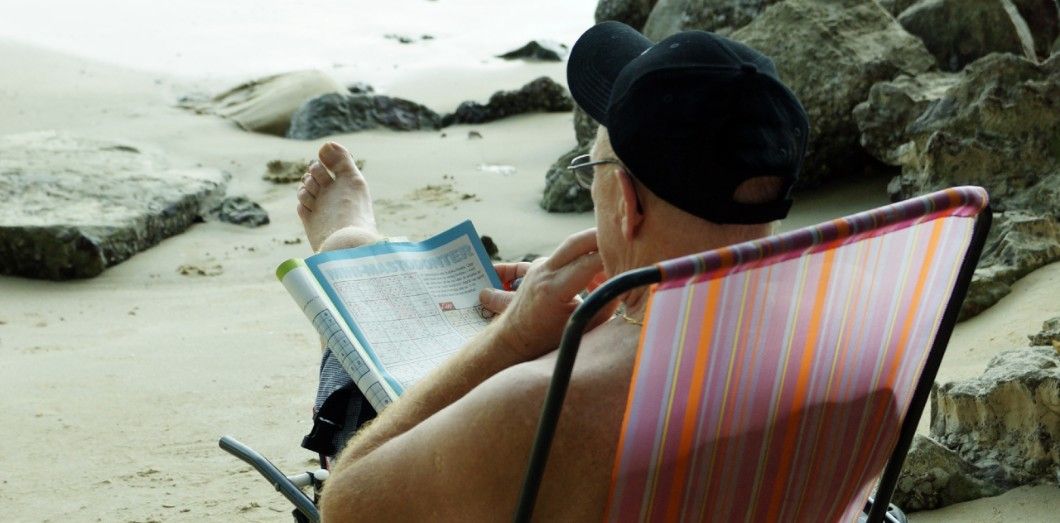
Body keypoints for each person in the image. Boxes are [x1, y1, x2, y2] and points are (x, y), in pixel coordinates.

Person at [294, 21, 808, 521]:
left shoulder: (540, 412)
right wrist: (605, 320)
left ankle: (344, 248)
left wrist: (512, 344)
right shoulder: (849, 340)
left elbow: (346, 505)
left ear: (627, 203)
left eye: (594, 166)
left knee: (350, 261)